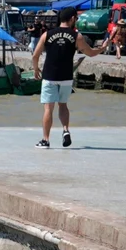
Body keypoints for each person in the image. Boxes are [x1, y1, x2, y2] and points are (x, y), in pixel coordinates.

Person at [31, 8, 110, 148]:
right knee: (63, 105)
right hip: (66, 76)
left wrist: (36, 69)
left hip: (49, 75)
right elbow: (90, 53)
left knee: (48, 109)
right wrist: (103, 48)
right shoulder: (76, 36)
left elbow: (35, 55)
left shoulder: (47, 34)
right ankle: (66, 130)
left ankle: (46, 140)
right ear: (72, 18)